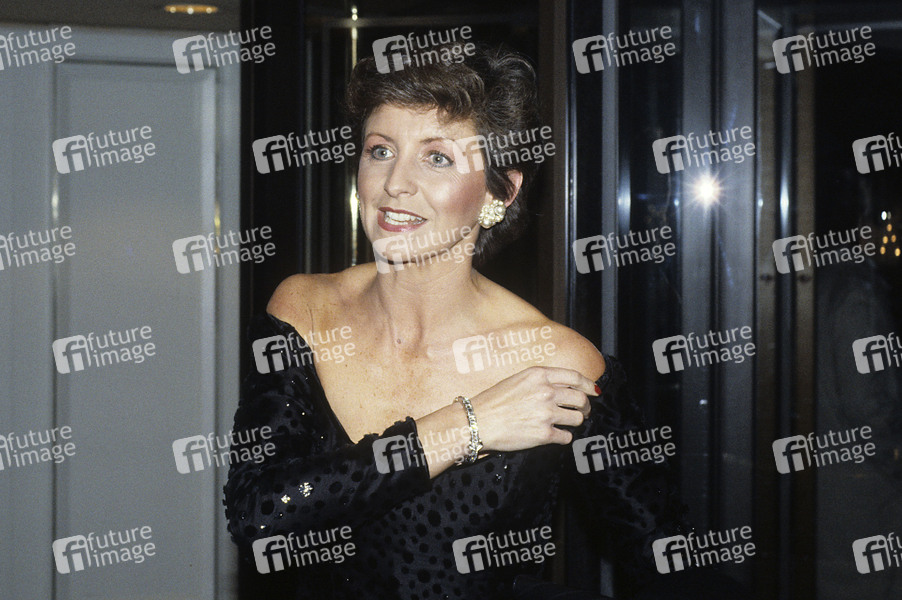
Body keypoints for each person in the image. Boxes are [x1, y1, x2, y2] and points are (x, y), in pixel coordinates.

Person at [224, 43, 685, 600]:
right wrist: (469, 426)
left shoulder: (557, 363)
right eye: (380, 150)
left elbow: (666, 561)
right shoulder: (305, 310)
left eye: (437, 158)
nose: (395, 183)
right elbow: (258, 515)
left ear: (498, 192)